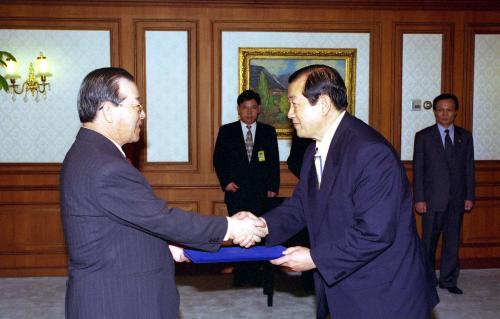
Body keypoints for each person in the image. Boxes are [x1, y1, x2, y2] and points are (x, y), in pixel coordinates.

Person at [60, 67, 266, 319]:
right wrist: (230, 227)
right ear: (108, 111)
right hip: (117, 300)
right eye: (136, 106)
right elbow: (161, 218)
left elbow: (121, 224)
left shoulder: (87, 152)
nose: (143, 114)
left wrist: (168, 245)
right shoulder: (106, 166)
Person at [260, 64, 439, 319]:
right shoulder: (314, 149)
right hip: (343, 283)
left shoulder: (370, 153)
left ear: (322, 104)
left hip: (383, 292)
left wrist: (314, 258)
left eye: (294, 103)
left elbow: (375, 234)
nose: (289, 113)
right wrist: (262, 224)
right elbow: (302, 204)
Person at [213, 89, 280, 286]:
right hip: (237, 192)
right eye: (245, 108)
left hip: (261, 193)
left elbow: (274, 162)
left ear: (259, 109)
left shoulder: (268, 132)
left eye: (253, 108)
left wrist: (273, 187)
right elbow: (218, 159)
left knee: (258, 234)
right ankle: (241, 275)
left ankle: (258, 274)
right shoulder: (227, 131)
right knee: (240, 234)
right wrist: (225, 182)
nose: (249, 112)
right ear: (238, 110)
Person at [413, 93, 475, 295]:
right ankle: (427, 279)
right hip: (431, 200)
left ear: (455, 112)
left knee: (452, 242)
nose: (445, 114)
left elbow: (468, 168)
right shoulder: (423, 136)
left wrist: (469, 196)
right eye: (441, 110)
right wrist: (419, 198)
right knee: (429, 242)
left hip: (456, 199)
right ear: (435, 112)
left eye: (449, 110)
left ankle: (448, 280)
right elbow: (418, 169)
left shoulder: (464, 137)